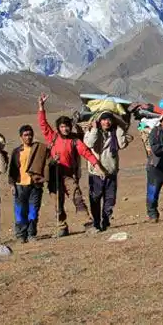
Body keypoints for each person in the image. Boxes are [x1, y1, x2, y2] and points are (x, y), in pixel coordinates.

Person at [37, 94, 107, 236]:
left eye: (67, 126)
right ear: (58, 128)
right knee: (57, 202)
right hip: (54, 174)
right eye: (62, 127)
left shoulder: (75, 140)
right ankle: (62, 227)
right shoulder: (52, 137)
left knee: (77, 198)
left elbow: (86, 152)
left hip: (68, 175)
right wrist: (41, 107)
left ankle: (88, 224)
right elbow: (43, 124)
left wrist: (97, 166)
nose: (65, 129)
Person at [83, 111, 132, 232]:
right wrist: (94, 129)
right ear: (99, 121)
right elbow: (89, 144)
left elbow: (122, 144)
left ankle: (105, 220)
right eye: (104, 119)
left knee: (110, 199)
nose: (107, 122)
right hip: (96, 171)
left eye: (109, 120)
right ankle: (96, 222)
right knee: (95, 198)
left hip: (111, 170)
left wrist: (119, 128)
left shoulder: (115, 132)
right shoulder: (91, 130)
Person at [8, 125, 48, 241]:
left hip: (35, 185)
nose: (28, 137)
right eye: (25, 135)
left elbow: (48, 161)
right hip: (20, 185)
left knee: (33, 211)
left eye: (30, 135)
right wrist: (12, 184)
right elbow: (12, 169)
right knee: (20, 211)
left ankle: (31, 234)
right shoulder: (17, 151)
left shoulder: (39, 149)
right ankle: (21, 235)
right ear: (21, 137)